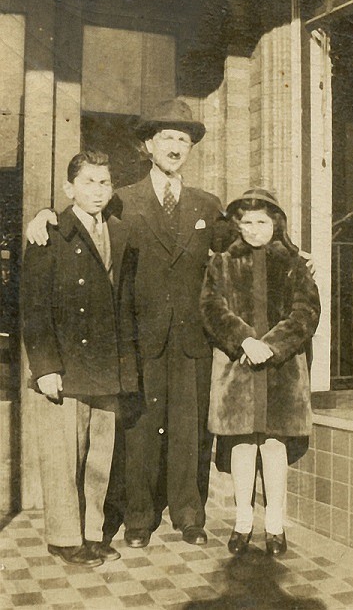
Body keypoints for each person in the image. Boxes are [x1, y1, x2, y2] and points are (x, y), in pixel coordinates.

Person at [26, 99, 229, 548]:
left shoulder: (207, 204)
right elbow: (80, 211)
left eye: (184, 139)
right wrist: (43, 213)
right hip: (139, 337)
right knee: (138, 431)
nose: (176, 146)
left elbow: (244, 240)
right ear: (148, 145)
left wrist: (293, 251)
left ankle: (189, 516)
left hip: (192, 339)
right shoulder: (122, 199)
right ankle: (138, 520)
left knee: (189, 429)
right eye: (168, 138)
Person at [22, 150, 138, 567]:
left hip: (106, 367)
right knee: (63, 457)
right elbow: (33, 308)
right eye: (89, 182)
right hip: (65, 367)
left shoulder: (119, 233)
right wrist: (45, 367)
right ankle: (64, 538)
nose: (98, 191)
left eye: (105, 182)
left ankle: (91, 534)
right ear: (70, 188)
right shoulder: (49, 233)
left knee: (98, 458)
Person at [200, 188, 320, 557]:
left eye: (262, 222)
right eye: (247, 222)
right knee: (241, 444)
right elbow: (211, 307)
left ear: (276, 224)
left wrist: (271, 344)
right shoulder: (221, 263)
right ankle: (242, 523)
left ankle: (274, 526)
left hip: (281, 370)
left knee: (273, 444)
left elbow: (306, 311)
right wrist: (245, 341)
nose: (254, 229)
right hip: (238, 369)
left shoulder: (295, 263)